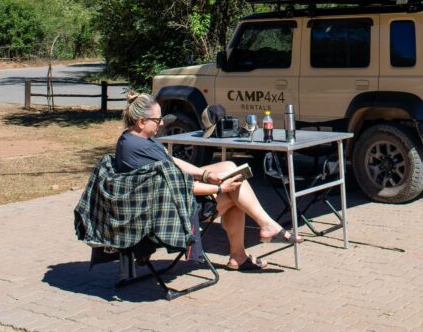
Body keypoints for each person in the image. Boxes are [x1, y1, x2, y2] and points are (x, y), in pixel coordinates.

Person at [115, 92, 300, 271]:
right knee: (236, 190)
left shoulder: (136, 139)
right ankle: (250, 244)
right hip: (170, 212)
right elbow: (180, 186)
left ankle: (259, 233)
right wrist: (219, 187)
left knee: (230, 167)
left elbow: (171, 161)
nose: (162, 123)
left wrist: (203, 174)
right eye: (157, 120)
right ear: (141, 122)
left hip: (168, 197)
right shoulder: (138, 149)